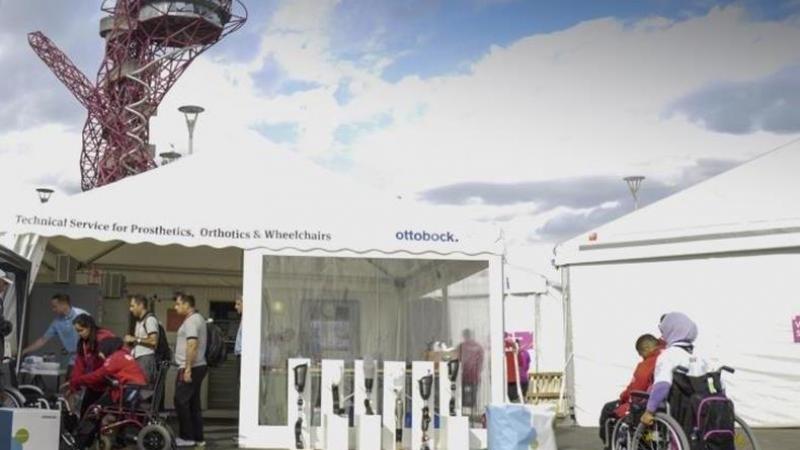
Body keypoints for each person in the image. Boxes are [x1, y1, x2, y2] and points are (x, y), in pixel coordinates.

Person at [641, 312, 708, 427]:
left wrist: (649, 411)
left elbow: (662, 386)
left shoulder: (668, 356)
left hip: (679, 412)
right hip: (704, 410)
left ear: (670, 330)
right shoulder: (702, 356)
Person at [598, 334, 663, 445]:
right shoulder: (666, 357)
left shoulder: (647, 364)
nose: (641, 356)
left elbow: (636, 389)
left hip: (643, 403)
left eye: (640, 353)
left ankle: (609, 445)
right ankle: (651, 438)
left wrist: (623, 396)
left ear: (647, 348)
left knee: (608, 409)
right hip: (662, 403)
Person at [22, 293, 89, 374]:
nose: (53, 309)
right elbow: (43, 340)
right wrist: (23, 351)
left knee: (84, 383)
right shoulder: (57, 323)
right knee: (69, 384)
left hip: (87, 357)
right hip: (73, 358)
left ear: (64, 304)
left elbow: (94, 335)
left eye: (55, 306)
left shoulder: (82, 315)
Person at [173, 293, 208, 447]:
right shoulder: (198, 319)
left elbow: (192, 344)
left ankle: (187, 437)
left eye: (178, 304)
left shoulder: (191, 321)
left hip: (192, 367)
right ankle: (198, 438)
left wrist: (187, 368)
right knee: (193, 404)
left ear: (187, 305)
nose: (175, 307)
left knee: (181, 401)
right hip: (198, 366)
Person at [69, 314, 115, 415]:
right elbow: (79, 366)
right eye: (77, 331)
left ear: (89, 327)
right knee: (85, 414)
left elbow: (112, 364)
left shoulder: (104, 338)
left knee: (101, 416)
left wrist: (82, 380)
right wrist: (73, 386)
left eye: (81, 330)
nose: (79, 334)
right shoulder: (83, 344)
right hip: (94, 383)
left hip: (109, 385)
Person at [123, 294, 160, 384]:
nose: (130, 309)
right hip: (140, 359)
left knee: (143, 389)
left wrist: (135, 339)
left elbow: (153, 341)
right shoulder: (140, 321)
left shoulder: (150, 320)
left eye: (133, 306)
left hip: (146, 360)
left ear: (141, 305)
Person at [457, 328, 484, 418]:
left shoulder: (461, 346)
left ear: (464, 336)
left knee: (462, 398)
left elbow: (456, 360)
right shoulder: (478, 347)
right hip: (475, 376)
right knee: (473, 398)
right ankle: (473, 417)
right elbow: (481, 362)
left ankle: (463, 417)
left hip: (464, 376)